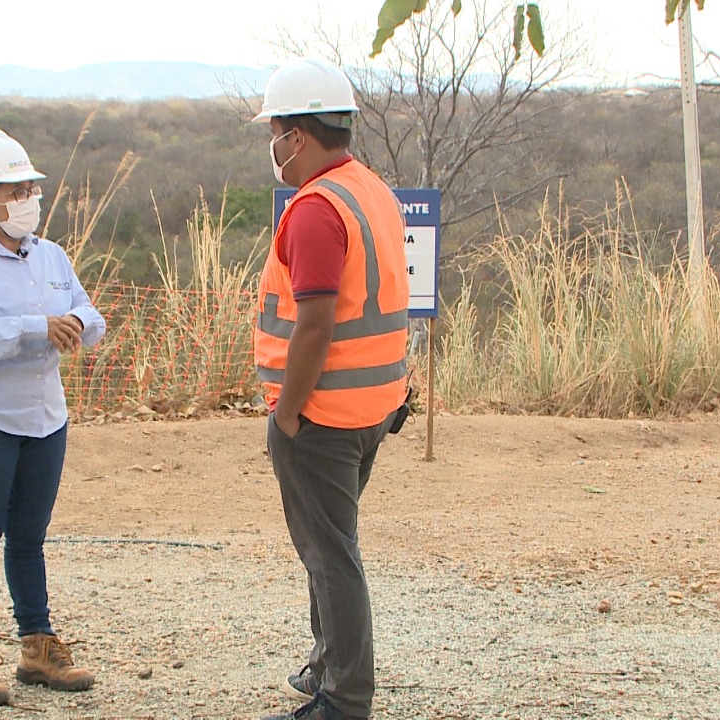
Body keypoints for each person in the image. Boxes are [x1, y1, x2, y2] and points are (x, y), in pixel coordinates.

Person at [252, 59, 410, 720]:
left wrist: (287, 414)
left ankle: (343, 700)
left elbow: (314, 324)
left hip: (323, 416)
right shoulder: (369, 189)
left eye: (276, 133)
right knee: (329, 549)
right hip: (373, 406)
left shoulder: (316, 210)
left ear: (298, 136)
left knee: (330, 557)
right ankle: (327, 664)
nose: (273, 146)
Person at [0, 129, 106, 707]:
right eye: (15, 191)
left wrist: (78, 324)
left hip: (45, 416)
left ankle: (37, 645)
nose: (29, 198)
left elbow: (89, 314)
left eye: (31, 188)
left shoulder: (50, 255)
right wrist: (33, 329)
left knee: (29, 536)